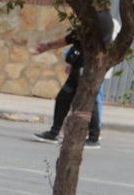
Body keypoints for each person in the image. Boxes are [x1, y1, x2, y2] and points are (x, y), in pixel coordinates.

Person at [33, 10, 114, 148]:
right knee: (63, 98)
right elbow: (78, 40)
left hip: (88, 68)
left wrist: (47, 46)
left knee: (89, 100)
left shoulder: (99, 18)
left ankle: (93, 137)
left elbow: (71, 37)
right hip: (80, 65)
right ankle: (54, 132)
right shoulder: (97, 16)